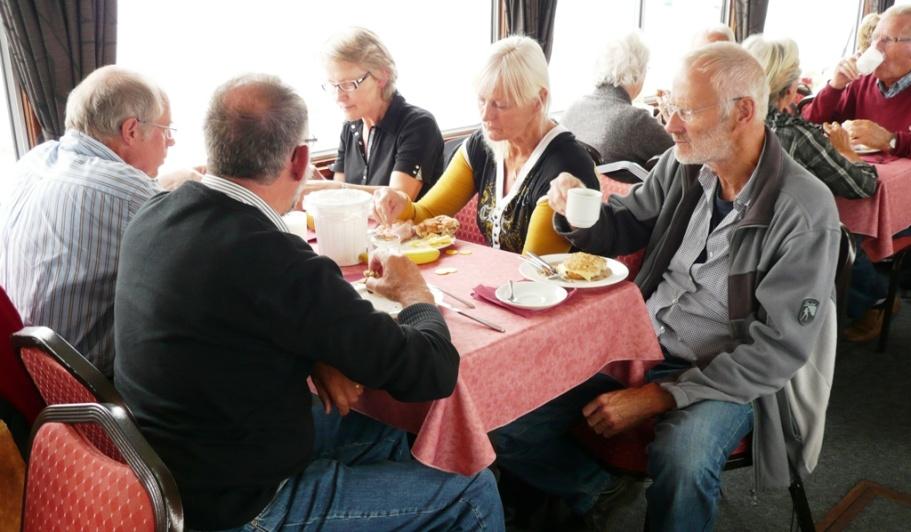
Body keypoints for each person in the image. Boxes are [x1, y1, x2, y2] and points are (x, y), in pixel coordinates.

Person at [113, 74, 502, 531]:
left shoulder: (154, 212)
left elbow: (234, 318)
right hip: (241, 503)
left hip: (166, 472)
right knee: (474, 489)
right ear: (300, 159)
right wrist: (416, 295)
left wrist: (315, 351)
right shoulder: (276, 259)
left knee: (402, 436)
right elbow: (431, 371)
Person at [494, 43, 841, 531]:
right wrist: (576, 206)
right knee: (507, 419)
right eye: (667, 107)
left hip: (730, 373)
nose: (671, 124)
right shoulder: (683, 164)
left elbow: (777, 351)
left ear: (743, 112)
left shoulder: (803, 209)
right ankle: (593, 484)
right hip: (639, 342)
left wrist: (658, 397)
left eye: (686, 111)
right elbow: (622, 226)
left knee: (683, 457)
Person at [0, 65, 174, 377]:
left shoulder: (35, 160)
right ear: (131, 130)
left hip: (22, 372)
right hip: (87, 388)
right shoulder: (131, 194)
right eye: (166, 131)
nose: (170, 143)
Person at [374, 36, 599, 255]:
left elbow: (535, 269)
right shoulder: (482, 145)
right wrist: (400, 204)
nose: (485, 115)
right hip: (505, 286)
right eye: (482, 100)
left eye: (500, 105)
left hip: (548, 289)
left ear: (538, 100)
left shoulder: (566, 169)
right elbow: (427, 213)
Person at [308, 27, 443, 200]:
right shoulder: (351, 127)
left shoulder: (419, 125)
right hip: (364, 227)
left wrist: (335, 188)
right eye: (333, 85)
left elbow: (399, 199)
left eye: (349, 84)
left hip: (408, 227)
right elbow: (340, 201)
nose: (339, 97)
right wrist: (312, 180)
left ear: (382, 76)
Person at [744, 34, 877, 199]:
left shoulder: (728, 123)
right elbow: (864, 186)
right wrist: (846, 151)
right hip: (787, 223)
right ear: (791, 89)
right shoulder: (797, 135)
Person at [802, 5, 911, 156]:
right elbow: (808, 124)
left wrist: (891, 140)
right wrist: (835, 87)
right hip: (854, 176)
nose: (875, 47)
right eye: (874, 38)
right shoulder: (860, 83)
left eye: (886, 39)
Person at [561, 32, 673, 168]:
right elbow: (681, 157)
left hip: (581, 187)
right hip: (628, 189)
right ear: (637, 73)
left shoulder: (574, 108)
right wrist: (672, 117)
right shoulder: (636, 120)